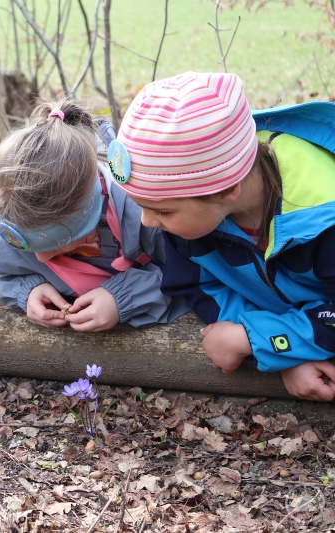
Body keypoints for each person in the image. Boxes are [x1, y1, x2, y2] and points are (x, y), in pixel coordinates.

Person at [112, 71, 335, 401]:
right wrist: (282, 349)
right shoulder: (191, 219)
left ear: (228, 189)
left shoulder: (323, 219)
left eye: (162, 211)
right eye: (142, 207)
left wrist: (253, 340)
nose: (146, 222)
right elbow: (197, 284)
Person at [0, 96, 189, 331]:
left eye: (54, 244)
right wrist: (29, 290)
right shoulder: (11, 213)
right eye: (29, 247)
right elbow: (6, 272)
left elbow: (190, 272)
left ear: (89, 221)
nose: (41, 259)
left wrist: (124, 298)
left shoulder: (144, 216)